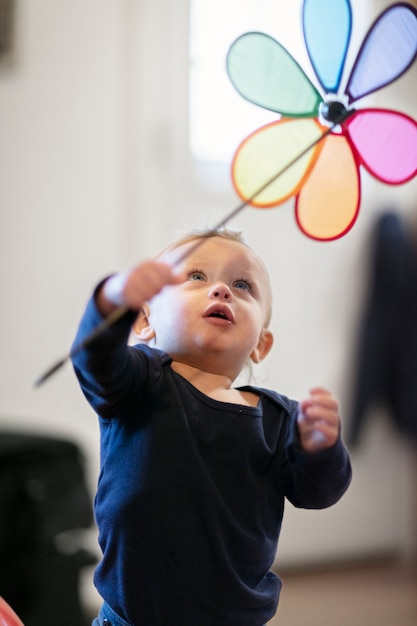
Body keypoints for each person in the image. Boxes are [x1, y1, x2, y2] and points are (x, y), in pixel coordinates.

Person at [71, 229, 352, 626]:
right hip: (131, 618)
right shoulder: (138, 382)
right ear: (146, 319)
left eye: (242, 285)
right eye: (196, 277)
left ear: (261, 344)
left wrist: (323, 449)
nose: (221, 290)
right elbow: (95, 359)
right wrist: (110, 300)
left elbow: (318, 492)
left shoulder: (281, 419)